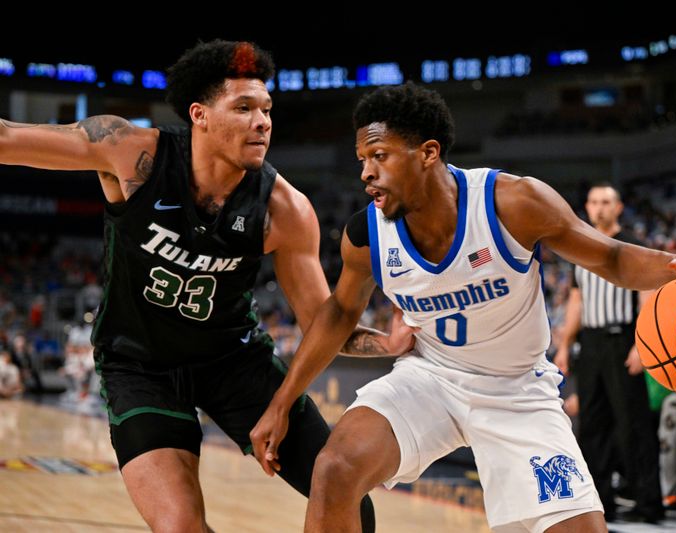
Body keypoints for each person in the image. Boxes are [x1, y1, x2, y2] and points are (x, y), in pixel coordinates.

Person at [249, 82, 676, 533]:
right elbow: (337, 313)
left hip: (517, 391)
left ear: (428, 152)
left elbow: (614, 259)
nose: (366, 173)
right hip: (430, 377)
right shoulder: (365, 235)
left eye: (378, 155)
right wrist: (281, 403)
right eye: (362, 159)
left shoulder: (511, 203)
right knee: (334, 468)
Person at [0, 40, 415, 532]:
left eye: (266, 109)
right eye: (243, 108)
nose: (261, 121)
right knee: (180, 527)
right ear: (198, 114)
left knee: (346, 491)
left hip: (234, 363)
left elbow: (325, 325)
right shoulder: (130, 153)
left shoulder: (285, 209)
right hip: (139, 364)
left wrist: (386, 343)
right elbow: (8, 138)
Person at [553, 183, 662, 522]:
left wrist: (642, 344)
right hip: (592, 343)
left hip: (623, 340)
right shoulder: (580, 246)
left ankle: (647, 502)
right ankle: (600, 502)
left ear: (618, 208)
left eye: (606, 202)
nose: (599, 208)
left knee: (634, 425)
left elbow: (649, 293)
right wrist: (566, 344)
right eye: (595, 202)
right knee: (593, 426)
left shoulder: (632, 245)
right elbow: (577, 299)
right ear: (586, 206)